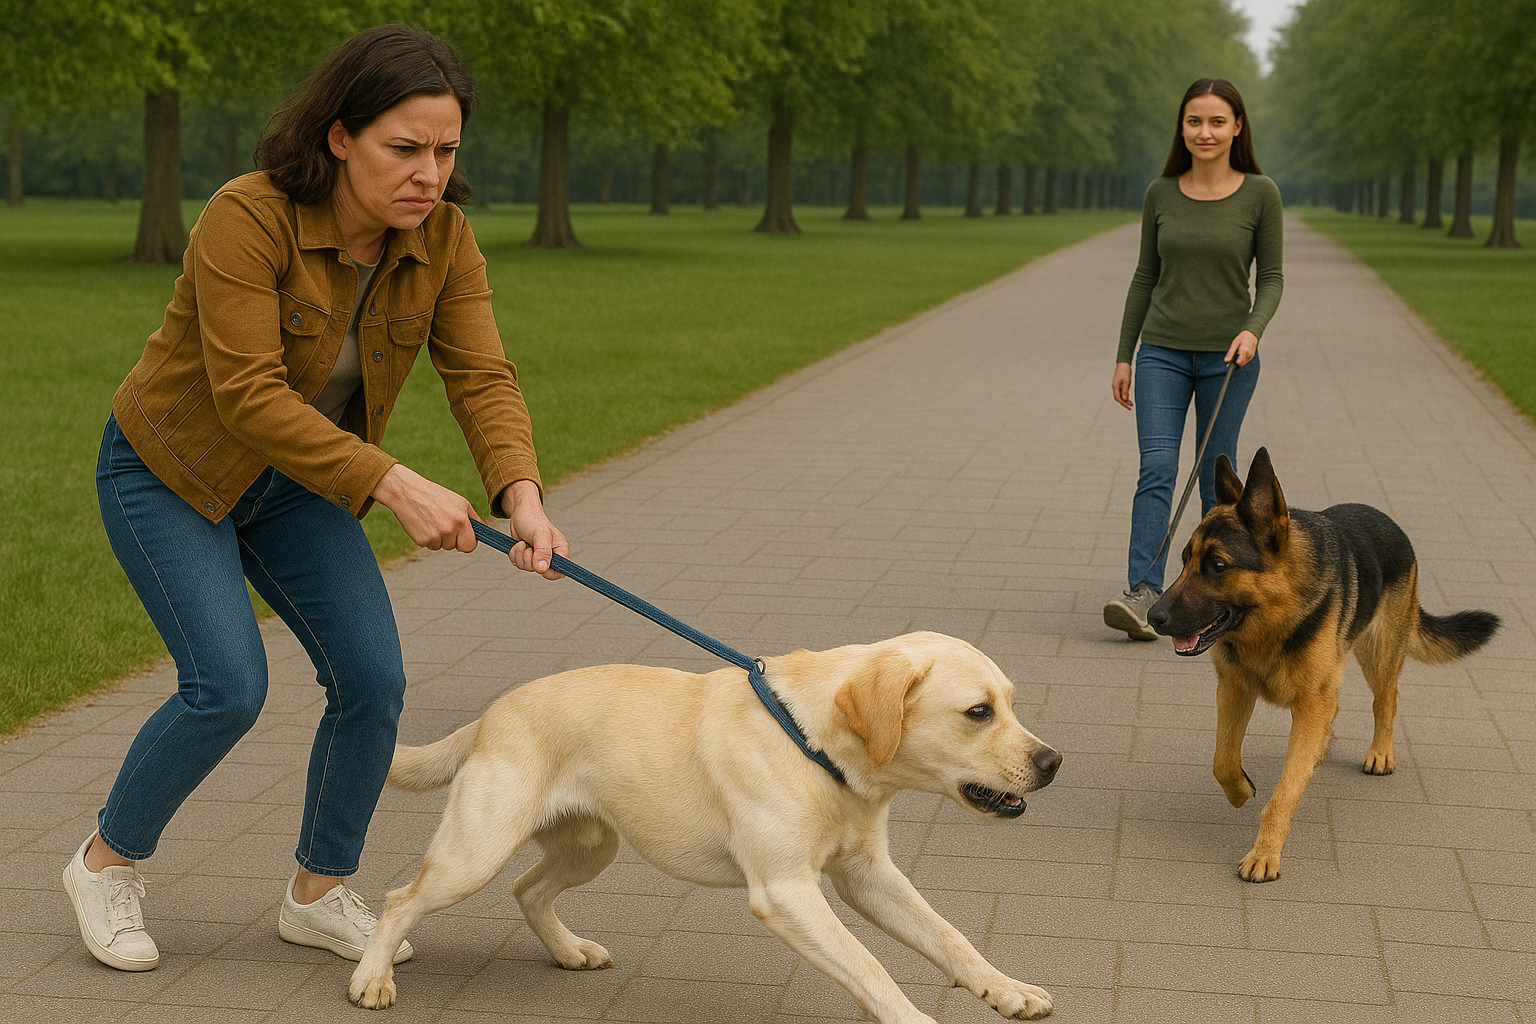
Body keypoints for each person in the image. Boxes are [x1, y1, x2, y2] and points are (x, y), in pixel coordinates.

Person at [63, 24, 568, 972]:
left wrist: (521, 492)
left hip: (299, 485)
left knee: (373, 680)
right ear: (339, 136)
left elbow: (482, 374)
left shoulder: (444, 237)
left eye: (446, 150)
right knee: (227, 686)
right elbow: (247, 394)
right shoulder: (246, 217)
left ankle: (319, 889)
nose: (429, 174)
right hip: (170, 470)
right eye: (404, 149)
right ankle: (104, 863)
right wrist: (392, 481)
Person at [1102, 77, 1283, 640]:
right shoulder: (1161, 192)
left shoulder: (1260, 194)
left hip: (1229, 359)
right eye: (1194, 121)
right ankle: (1143, 592)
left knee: (1216, 480)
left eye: (1217, 121)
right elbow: (1144, 277)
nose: (1205, 132)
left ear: (1237, 128)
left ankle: (1211, 600)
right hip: (1161, 352)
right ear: (1183, 128)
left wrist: (1253, 330)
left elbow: (1272, 278)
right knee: (1156, 468)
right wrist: (1124, 354)